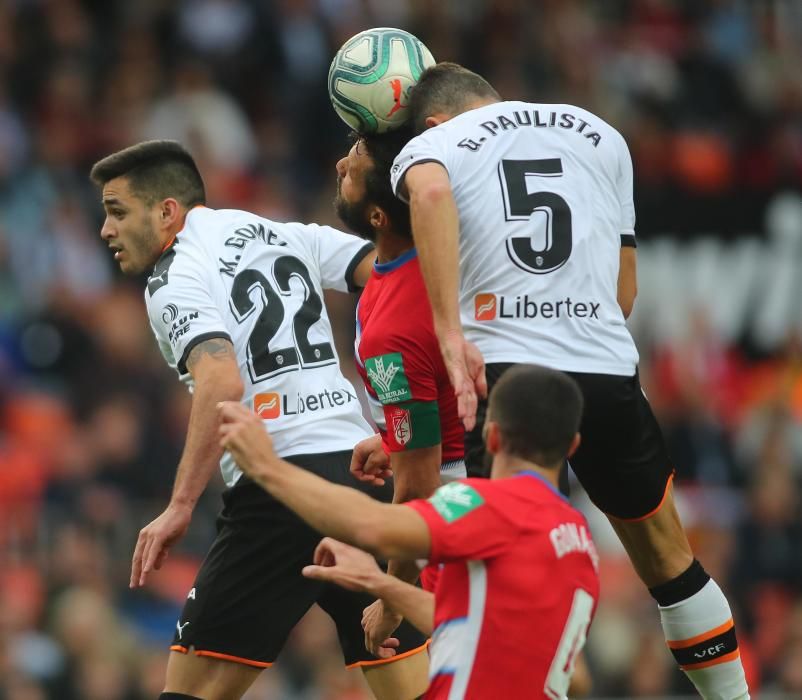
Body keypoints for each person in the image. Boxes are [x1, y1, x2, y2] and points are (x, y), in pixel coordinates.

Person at [389, 62, 749, 699]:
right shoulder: (601, 134)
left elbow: (433, 196)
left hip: (507, 376)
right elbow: (626, 289)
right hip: (604, 369)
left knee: (489, 562)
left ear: (437, 120)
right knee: (669, 558)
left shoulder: (434, 146)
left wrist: (450, 329)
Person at [89, 140, 428, 700]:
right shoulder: (282, 233)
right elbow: (390, 269)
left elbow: (222, 380)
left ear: (167, 212)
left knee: (190, 691)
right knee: (410, 684)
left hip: (278, 487)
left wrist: (179, 506)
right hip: (358, 477)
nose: (106, 230)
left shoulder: (173, 274)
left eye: (118, 211)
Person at [218, 363, 600, 700]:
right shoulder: (579, 537)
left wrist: (267, 467)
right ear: (573, 445)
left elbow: (372, 527)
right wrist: (382, 585)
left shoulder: (489, 506)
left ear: (492, 437)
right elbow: (568, 672)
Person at [333, 129, 467, 653]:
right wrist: (395, 436)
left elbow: (415, 489)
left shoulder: (392, 327)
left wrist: (390, 599)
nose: (341, 165)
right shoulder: (433, 267)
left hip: (458, 515)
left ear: (378, 217)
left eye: (356, 165)